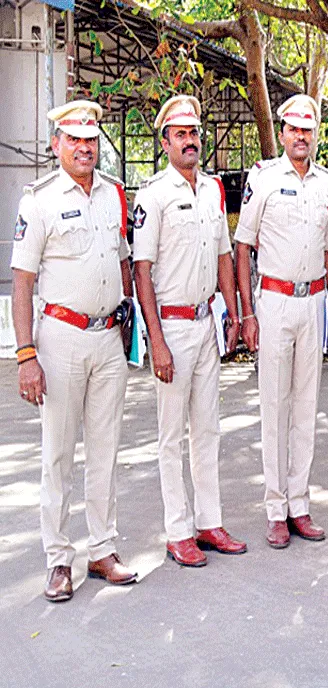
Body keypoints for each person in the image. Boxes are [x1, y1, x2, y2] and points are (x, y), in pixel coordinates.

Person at [11, 100, 139, 601]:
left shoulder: (114, 195)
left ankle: (103, 549)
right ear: (56, 144)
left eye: (91, 140)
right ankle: (59, 560)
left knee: (106, 451)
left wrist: (131, 326)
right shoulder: (39, 201)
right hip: (60, 338)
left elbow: (124, 261)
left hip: (108, 339)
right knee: (58, 455)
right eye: (75, 139)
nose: (85, 148)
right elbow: (22, 283)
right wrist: (26, 355)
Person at [132, 95, 246, 567]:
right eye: (180, 133)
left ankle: (208, 521)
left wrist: (235, 314)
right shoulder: (153, 195)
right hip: (172, 328)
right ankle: (177, 531)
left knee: (207, 429)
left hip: (205, 323)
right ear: (164, 143)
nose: (190, 140)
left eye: (194, 132)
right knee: (170, 434)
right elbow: (141, 271)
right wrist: (154, 339)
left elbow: (224, 256)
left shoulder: (213, 191)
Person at [234, 94, 328, 549]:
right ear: (282, 132)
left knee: (305, 409)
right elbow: (243, 245)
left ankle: (300, 504)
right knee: (274, 408)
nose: (301, 136)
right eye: (293, 129)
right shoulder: (264, 179)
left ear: (316, 134)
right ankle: (275, 509)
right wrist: (247, 312)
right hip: (273, 302)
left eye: (308, 129)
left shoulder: (327, 183)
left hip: (312, 301)